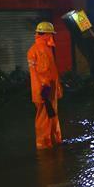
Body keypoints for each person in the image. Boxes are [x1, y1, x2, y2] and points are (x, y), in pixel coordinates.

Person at [27, 21, 63, 149]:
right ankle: (45, 143)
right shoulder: (42, 50)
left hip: (40, 89)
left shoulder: (34, 49)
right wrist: (46, 90)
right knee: (46, 117)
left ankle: (51, 140)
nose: (52, 37)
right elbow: (44, 72)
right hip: (46, 90)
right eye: (51, 34)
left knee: (48, 115)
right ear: (46, 35)